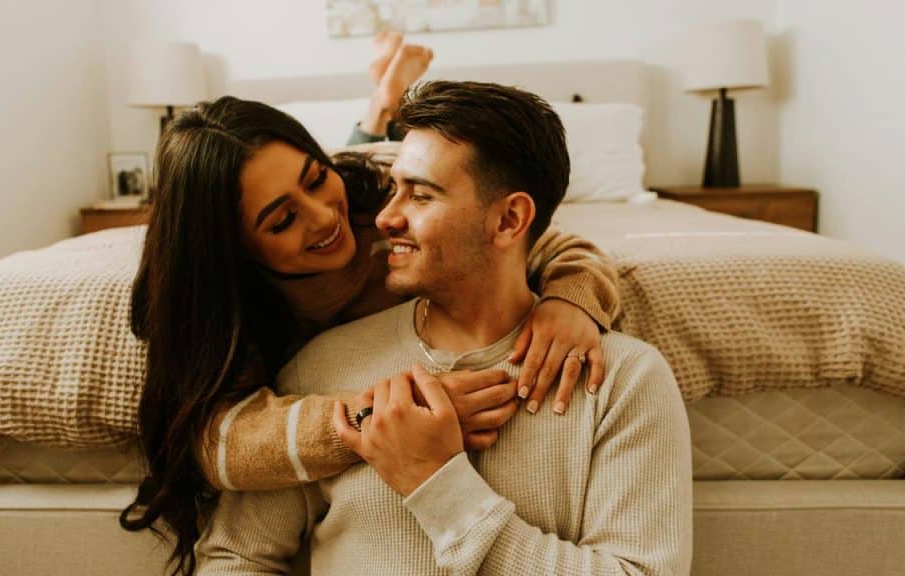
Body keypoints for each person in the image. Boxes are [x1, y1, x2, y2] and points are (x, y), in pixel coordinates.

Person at [120, 38, 622, 576]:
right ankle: (382, 98)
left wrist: (571, 300)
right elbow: (221, 442)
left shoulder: (379, 200)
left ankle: (382, 109)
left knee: (364, 159)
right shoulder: (235, 312)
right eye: (281, 221)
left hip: (366, 168)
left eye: (314, 178)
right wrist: (377, 420)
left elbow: (542, 242)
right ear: (234, 250)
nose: (321, 219)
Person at [194, 81, 692, 575]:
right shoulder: (316, 370)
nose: (384, 218)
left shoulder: (624, 379)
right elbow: (235, 557)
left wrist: (434, 481)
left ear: (509, 220)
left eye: (420, 195)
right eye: (393, 189)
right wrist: (362, 423)